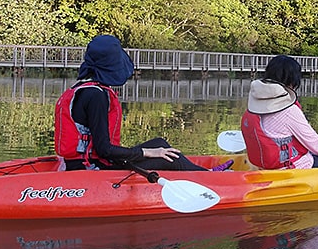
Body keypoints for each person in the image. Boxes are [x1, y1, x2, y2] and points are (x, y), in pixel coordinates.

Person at [55, 35, 232, 172]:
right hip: (91, 167)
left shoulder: (83, 87)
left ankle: (201, 172)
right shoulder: (96, 95)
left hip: (91, 160)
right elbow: (104, 150)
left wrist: (151, 150)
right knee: (169, 157)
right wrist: (148, 153)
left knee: (159, 142)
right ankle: (210, 176)